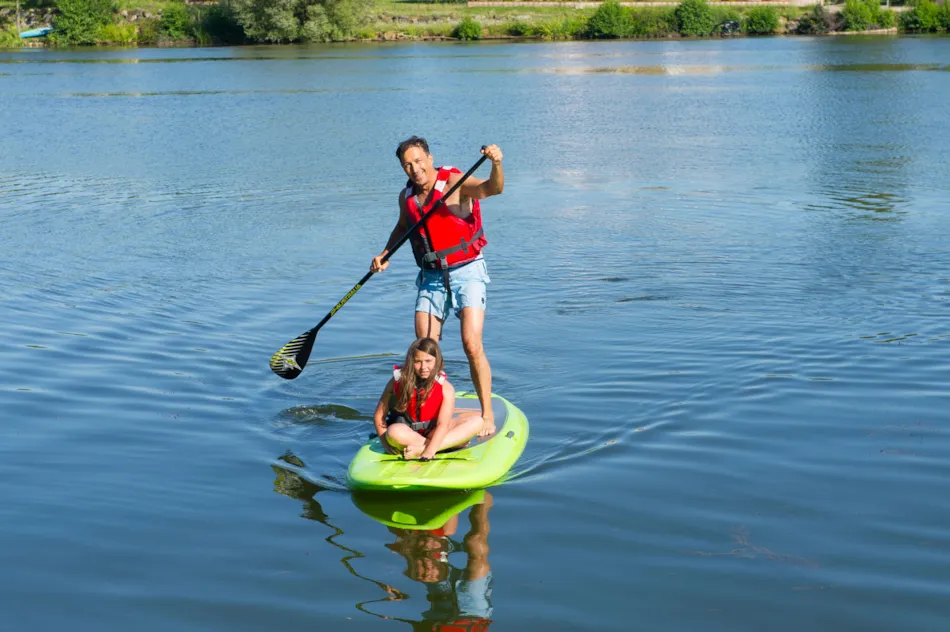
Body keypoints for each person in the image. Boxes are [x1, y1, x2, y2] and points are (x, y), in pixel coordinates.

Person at [370, 137, 504, 434]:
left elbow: (492, 189)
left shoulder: (455, 182)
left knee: (471, 343)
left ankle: (487, 415)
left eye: (418, 161)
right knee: (423, 350)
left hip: (467, 271)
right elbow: (404, 227)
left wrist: (496, 163)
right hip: (431, 277)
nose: (414, 169)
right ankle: (425, 415)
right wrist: (385, 253)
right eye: (407, 164)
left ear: (429, 158)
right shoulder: (407, 197)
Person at [374, 337, 484, 461]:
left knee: (477, 422)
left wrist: (429, 451)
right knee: (393, 432)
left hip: (434, 431)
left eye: (428, 361)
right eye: (417, 361)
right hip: (406, 433)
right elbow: (379, 416)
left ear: (437, 361)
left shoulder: (446, 388)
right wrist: (384, 442)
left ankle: (422, 448)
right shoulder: (398, 381)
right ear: (411, 362)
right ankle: (448, 444)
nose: (423, 367)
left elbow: (443, 424)